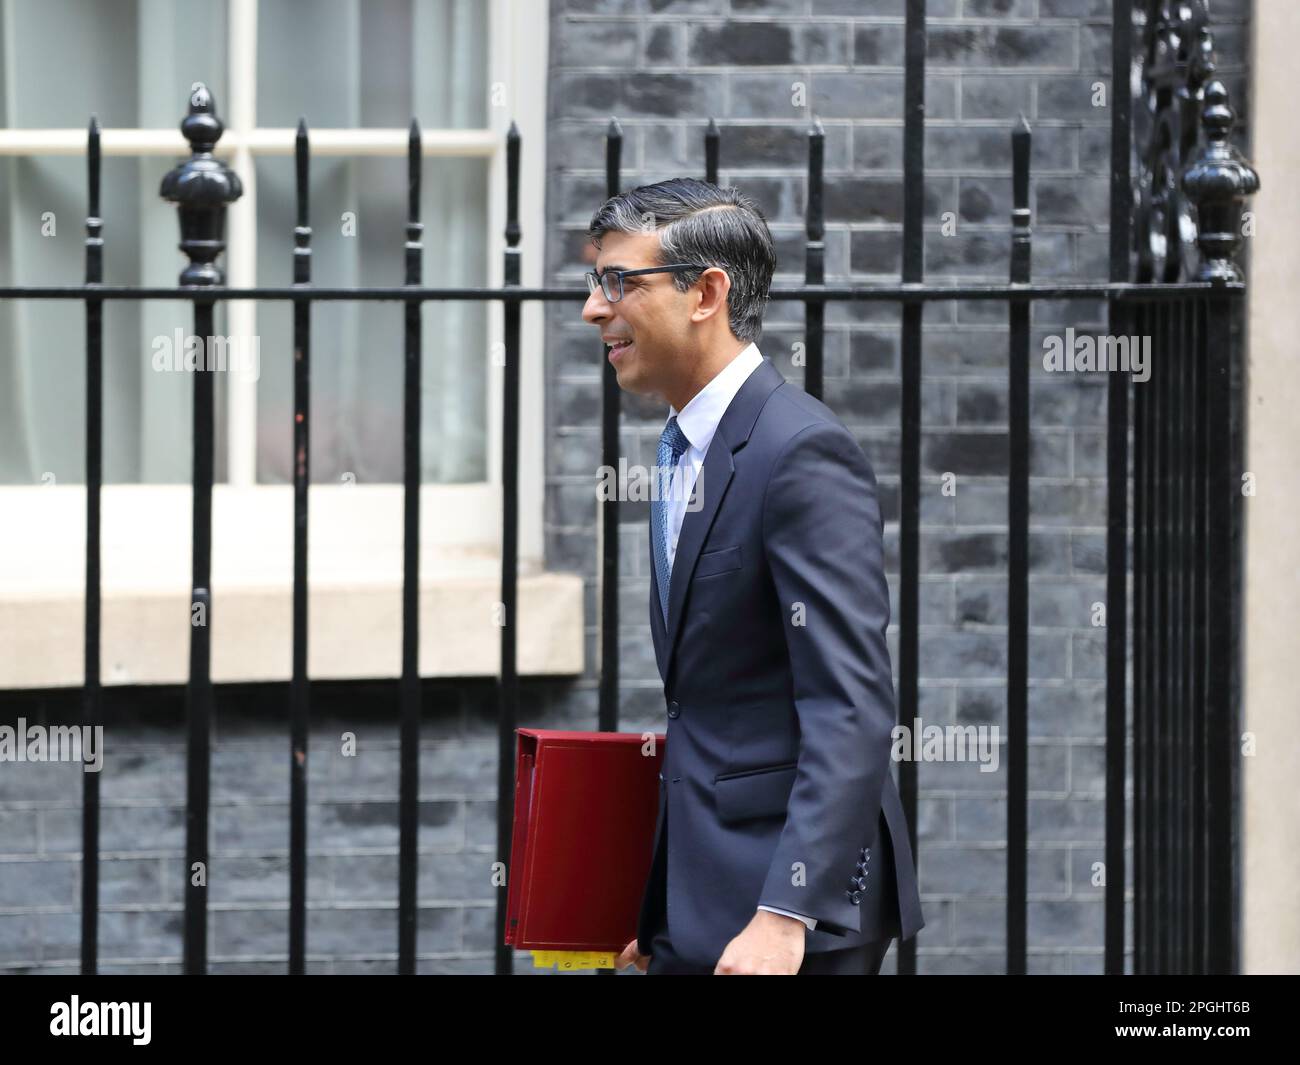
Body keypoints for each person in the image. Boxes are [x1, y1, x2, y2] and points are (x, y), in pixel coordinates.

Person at [581, 178, 923, 975]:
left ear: (707, 292)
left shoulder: (800, 453)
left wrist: (783, 914)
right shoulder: (684, 446)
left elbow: (851, 703)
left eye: (619, 282)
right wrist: (667, 906)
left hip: (791, 922)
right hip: (709, 903)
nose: (596, 309)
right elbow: (708, 705)